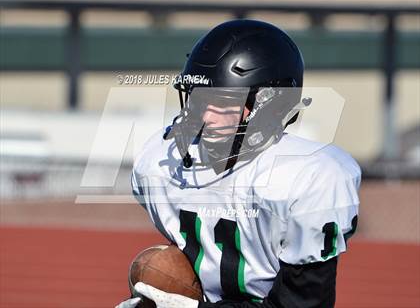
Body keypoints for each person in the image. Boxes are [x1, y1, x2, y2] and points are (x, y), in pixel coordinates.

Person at [116, 19, 361, 308]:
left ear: (270, 105)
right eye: (198, 100)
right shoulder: (158, 161)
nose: (206, 117)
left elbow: (302, 304)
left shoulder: (310, 176)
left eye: (222, 102)